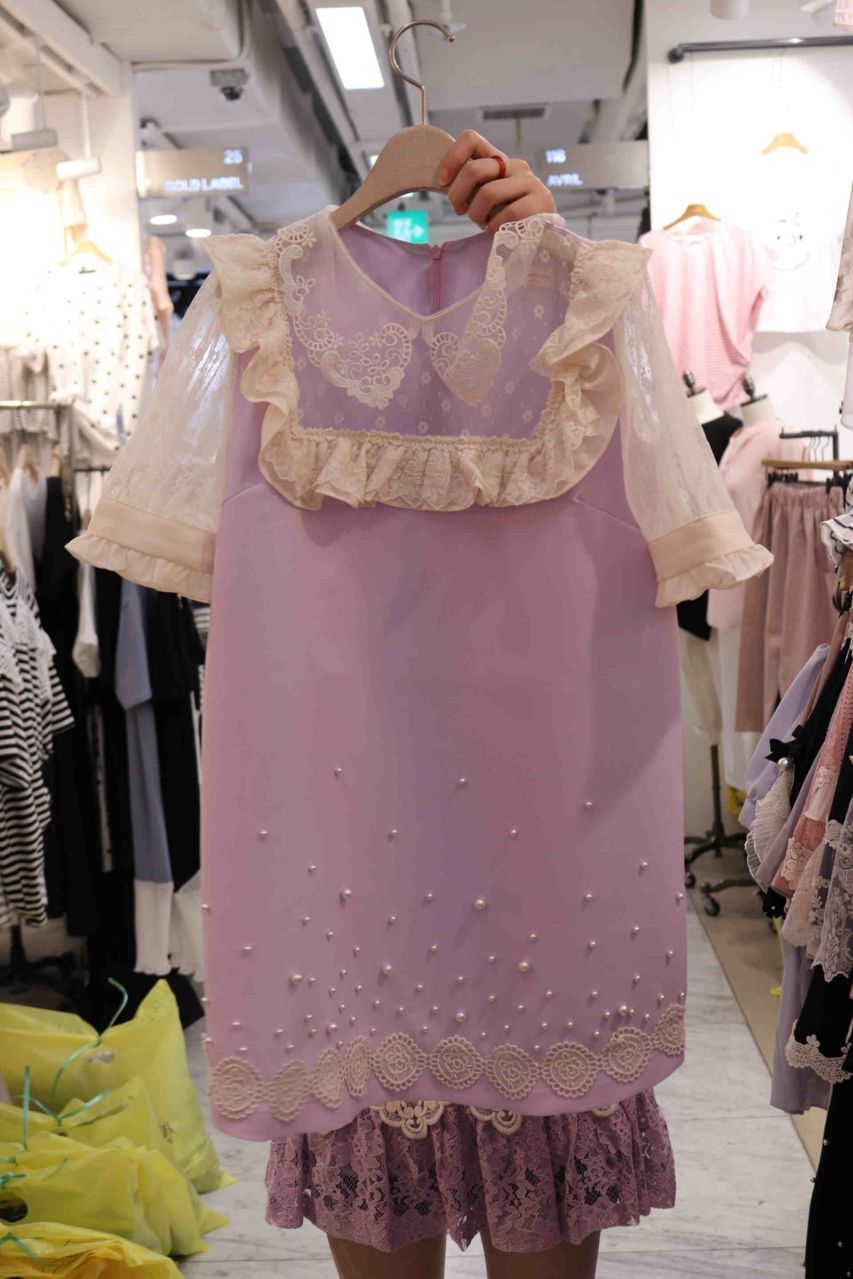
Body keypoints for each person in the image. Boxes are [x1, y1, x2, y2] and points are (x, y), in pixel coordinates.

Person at [324, 131, 600, 1279]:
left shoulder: (585, 311)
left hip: (537, 856)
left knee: (541, 1151)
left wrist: (557, 262)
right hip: (354, 870)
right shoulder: (266, 322)